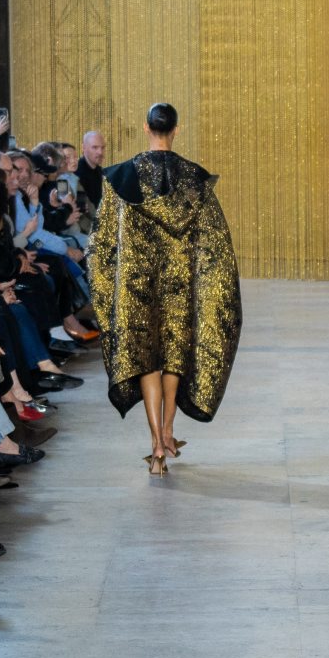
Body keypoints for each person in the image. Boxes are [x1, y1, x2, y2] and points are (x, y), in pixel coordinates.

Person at [90, 103, 242, 475]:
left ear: (146, 128)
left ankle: (157, 443)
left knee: (146, 361)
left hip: (136, 286)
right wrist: (214, 286)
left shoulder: (120, 178)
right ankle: (170, 430)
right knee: (174, 357)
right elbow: (215, 244)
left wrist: (106, 286)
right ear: (176, 129)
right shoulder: (194, 180)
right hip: (179, 284)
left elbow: (102, 242)